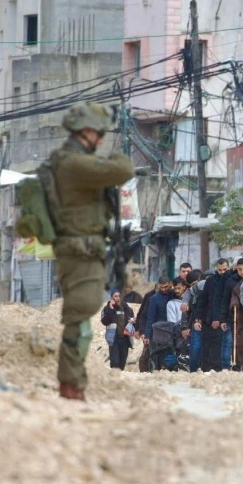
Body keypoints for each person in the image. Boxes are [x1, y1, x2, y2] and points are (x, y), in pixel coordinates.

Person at [50, 102, 134, 400]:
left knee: (81, 318)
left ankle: (73, 382)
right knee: (79, 319)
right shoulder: (74, 163)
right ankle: (71, 386)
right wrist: (118, 152)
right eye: (99, 133)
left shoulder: (69, 160)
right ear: (85, 131)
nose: (100, 140)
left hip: (84, 249)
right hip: (79, 251)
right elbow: (124, 168)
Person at [194, 258, 230, 372]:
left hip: (225, 319)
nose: (223, 272)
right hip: (208, 319)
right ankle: (206, 369)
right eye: (220, 270)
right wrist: (198, 317)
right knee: (207, 346)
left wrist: (219, 319)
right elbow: (203, 300)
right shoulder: (210, 281)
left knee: (222, 346)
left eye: (225, 269)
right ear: (216, 269)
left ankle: (221, 369)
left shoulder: (230, 281)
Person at [218, 257, 243, 369]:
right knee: (229, 342)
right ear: (236, 268)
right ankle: (226, 367)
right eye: (239, 269)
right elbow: (224, 300)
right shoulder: (230, 281)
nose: (242, 272)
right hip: (231, 316)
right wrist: (222, 319)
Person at [100, 289, 135, 371]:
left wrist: (133, 323)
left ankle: (119, 379)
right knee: (115, 362)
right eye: (116, 296)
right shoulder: (107, 309)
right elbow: (104, 321)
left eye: (119, 296)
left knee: (122, 362)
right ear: (112, 297)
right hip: (114, 338)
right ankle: (114, 378)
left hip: (125, 339)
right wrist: (110, 309)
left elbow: (133, 322)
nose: (118, 298)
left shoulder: (127, 309)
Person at [144, 276, 172, 344]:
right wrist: (147, 335)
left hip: (173, 330)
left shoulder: (174, 295)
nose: (163, 289)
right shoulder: (154, 298)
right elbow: (150, 317)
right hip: (159, 331)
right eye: (161, 287)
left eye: (166, 287)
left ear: (170, 284)